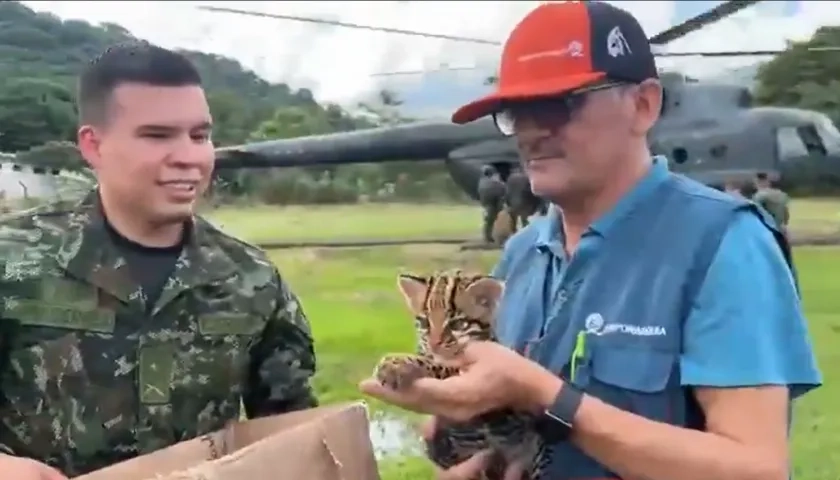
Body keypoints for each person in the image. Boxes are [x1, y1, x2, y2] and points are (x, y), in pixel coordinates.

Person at [360, 3, 820, 480]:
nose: (532, 132)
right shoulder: (522, 254)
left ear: (643, 105)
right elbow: (515, 431)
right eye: (516, 113)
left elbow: (755, 470)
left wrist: (548, 398)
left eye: (558, 104)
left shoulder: (723, 243)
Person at [0, 42, 318, 480]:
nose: (189, 157)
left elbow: (291, 425)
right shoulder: (12, 260)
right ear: (94, 145)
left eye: (200, 135)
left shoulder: (249, 277)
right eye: (157, 135)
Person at [753, 172, 790, 236]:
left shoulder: (759, 196)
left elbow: (757, 213)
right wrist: (785, 225)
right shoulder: (782, 194)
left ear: (758, 182)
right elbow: (786, 213)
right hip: (780, 228)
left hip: (766, 230)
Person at [477, 165, 506, 243]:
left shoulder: (482, 181)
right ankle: (489, 237)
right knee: (491, 221)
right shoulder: (493, 182)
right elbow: (501, 189)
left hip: (486, 204)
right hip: (492, 204)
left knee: (489, 221)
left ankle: (488, 236)